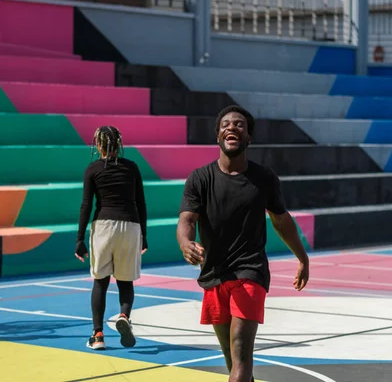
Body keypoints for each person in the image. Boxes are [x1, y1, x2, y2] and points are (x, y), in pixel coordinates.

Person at [176, 105, 310, 382]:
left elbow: (281, 222)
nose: (232, 127)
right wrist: (185, 242)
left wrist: (302, 258)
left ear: (248, 138)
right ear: (218, 136)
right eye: (226, 124)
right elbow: (187, 220)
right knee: (230, 356)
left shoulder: (264, 178)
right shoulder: (200, 178)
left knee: (240, 352)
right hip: (214, 273)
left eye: (239, 125)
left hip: (250, 272)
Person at [75, 125, 148, 351]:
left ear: (98, 145)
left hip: (103, 226)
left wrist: (79, 239)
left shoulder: (92, 169)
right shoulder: (132, 167)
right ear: (119, 145)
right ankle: (124, 316)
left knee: (101, 281)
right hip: (131, 226)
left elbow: (86, 205)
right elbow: (141, 203)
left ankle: (98, 336)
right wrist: (143, 235)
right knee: (125, 281)